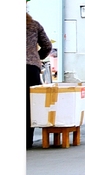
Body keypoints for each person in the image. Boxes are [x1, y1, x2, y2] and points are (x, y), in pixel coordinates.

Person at [27, 13, 53, 147]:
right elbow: (47, 46)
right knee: (29, 105)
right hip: (31, 69)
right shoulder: (33, 25)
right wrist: (37, 58)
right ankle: (27, 140)